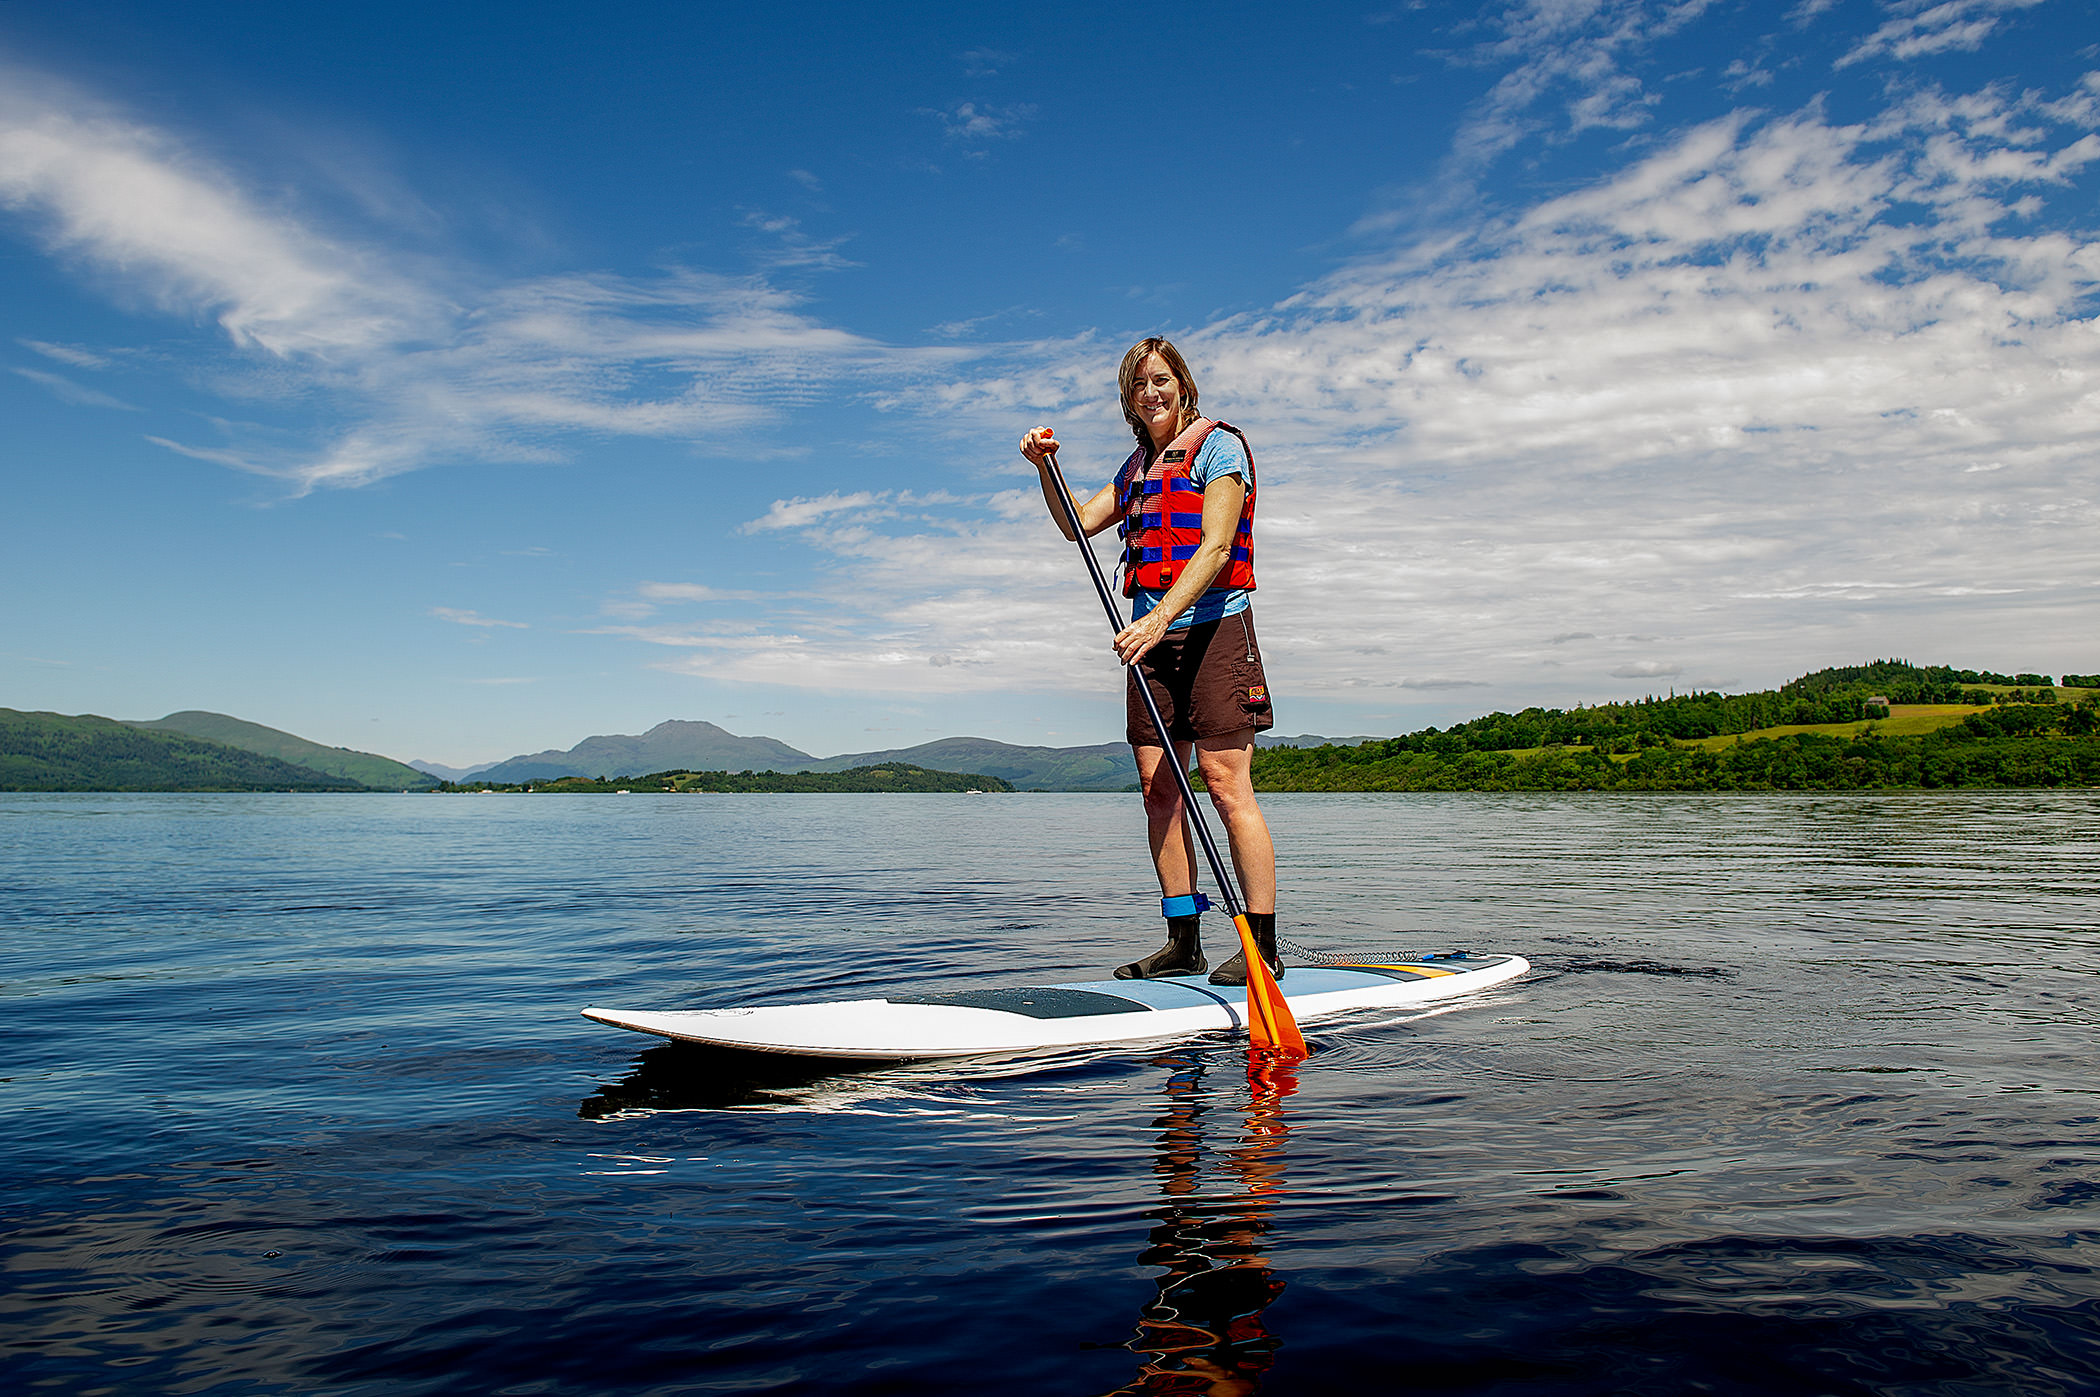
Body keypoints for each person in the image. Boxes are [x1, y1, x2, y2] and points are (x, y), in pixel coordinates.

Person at [1019, 337, 1281, 985]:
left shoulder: (1219, 446)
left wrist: (1160, 615)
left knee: (1224, 785)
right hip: (1150, 643)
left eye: (1160, 380)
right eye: (1138, 385)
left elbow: (1217, 546)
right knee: (1158, 788)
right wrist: (1044, 468)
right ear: (1128, 399)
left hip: (1213, 630)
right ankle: (1182, 939)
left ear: (1182, 383)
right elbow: (1077, 523)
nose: (1151, 393)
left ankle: (1263, 946)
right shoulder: (1135, 467)